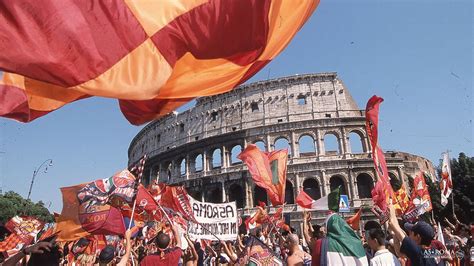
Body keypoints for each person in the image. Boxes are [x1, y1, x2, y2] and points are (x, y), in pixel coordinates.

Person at [387, 201, 437, 266]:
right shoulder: (431, 251)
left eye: (411, 233)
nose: (409, 235)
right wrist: (395, 234)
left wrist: (391, 207)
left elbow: (392, 223)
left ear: (418, 237)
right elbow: (399, 253)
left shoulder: (417, 251)